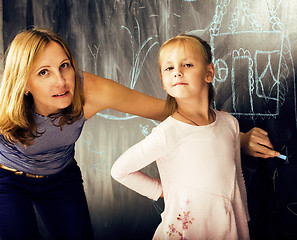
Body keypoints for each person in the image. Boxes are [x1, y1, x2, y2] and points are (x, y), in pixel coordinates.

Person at [0, 28, 166, 240]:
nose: (61, 81)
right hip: (8, 180)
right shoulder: (4, 108)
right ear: (23, 84)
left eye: (64, 66)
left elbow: (165, 111)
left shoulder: (89, 90)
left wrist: (214, 120)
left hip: (60, 178)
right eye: (44, 72)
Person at [111, 34, 250, 239]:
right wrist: (161, 189)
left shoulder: (229, 123)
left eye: (187, 65)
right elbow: (120, 170)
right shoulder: (168, 132)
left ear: (209, 72)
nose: (177, 72)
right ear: (164, 82)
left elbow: (237, 176)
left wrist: (242, 223)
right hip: (186, 230)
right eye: (169, 68)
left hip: (226, 229)